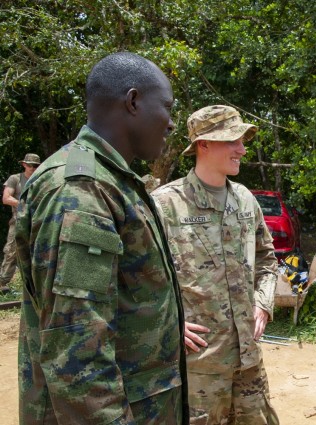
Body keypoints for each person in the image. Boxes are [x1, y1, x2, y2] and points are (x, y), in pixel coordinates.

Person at [14, 52, 189, 424]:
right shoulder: (80, 190)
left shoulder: (112, 183)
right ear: (133, 101)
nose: (171, 123)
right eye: (167, 107)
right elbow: (77, 350)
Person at [152, 105, 280, 424]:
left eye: (242, 140)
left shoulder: (245, 200)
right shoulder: (165, 205)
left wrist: (263, 304)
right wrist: (169, 323)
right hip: (199, 367)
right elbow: (138, 279)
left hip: (248, 361)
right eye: (231, 140)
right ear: (203, 144)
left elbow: (266, 259)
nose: (242, 149)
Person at [0, 153, 40, 293]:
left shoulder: (41, 180)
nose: (33, 168)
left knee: (37, 252)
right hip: (18, 221)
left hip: (37, 221)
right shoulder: (15, 179)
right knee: (11, 251)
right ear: (24, 164)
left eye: (36, 166)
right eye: (30, 165)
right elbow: (6, 198)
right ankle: (2, 283)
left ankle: (33, 285)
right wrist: (25, 206)